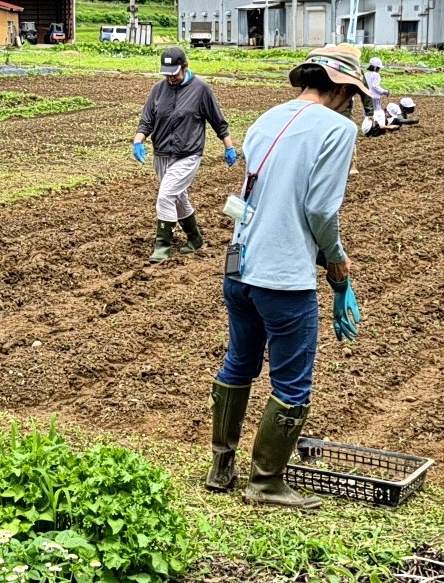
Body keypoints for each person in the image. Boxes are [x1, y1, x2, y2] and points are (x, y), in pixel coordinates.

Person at [207, 44, 368, 510]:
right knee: (292, 381)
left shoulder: (266, 119)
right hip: (284, 276)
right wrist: (337, 264)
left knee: (239, 362)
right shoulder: (338, 129)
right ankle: (266, 482)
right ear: (339, 86)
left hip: (240, 268)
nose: (351, 105)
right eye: (351, 95)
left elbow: (245, 196)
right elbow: (320, 208)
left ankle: (222, 469)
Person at [134, 46, 237, 263]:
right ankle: (195, 237)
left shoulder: (201, 89)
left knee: (166, 196)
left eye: (175, 73)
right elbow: (147, 120)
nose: (170, 78)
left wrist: (228, 146)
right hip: (161, 153)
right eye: (167, 74)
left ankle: (162, 245)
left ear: (185, 67)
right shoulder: (158, 90)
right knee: (178, 196)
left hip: (188, 154)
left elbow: (217, 120)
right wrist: (139, 140)